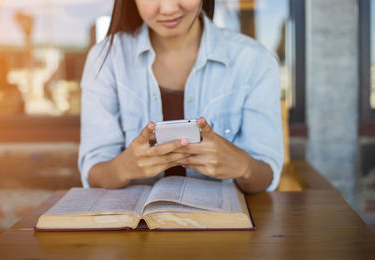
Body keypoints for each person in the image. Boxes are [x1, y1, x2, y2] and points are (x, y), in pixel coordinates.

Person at [78, 0, 284, 193]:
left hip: (223, 225)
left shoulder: (255, 60)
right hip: (135, 228)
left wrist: (245, 167)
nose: (168, 8)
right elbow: (95, 175)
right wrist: (122, 168)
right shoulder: (106, 59)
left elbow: (265, 177)